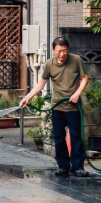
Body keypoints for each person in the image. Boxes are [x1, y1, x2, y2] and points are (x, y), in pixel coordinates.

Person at [20, 37, 89, 177]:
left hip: (73, 106)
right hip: (57, 106)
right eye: (58, 51)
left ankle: (77, 167)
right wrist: (27, 97)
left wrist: (77, 94)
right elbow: (40, 84)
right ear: (53, 50)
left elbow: (85, 78)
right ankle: (63, 166)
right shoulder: (49, 64)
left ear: (68, 49)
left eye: (64, 51)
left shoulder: (76, 60)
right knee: (58, 137)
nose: (62, 54)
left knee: (76, 136)